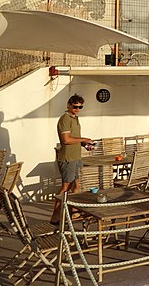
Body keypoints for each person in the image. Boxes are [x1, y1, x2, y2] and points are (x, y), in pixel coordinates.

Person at [50, 94, 94, 224]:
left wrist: (85, 145)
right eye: (75, 106)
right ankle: (55, 216)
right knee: (65, 187)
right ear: (68, 105)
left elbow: (74, 138)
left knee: (76, 185)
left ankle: (74, 213)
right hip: (67, 158)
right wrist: (84, 139)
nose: (77, 109)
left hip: (76, 157)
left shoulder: (75, 119)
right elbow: (66, 139)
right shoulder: (65, 119)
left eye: (80, 107)